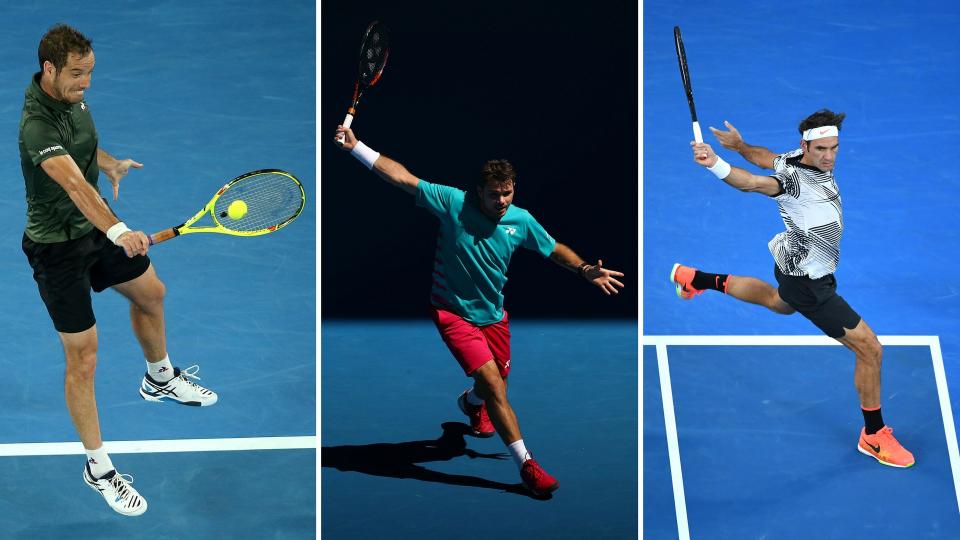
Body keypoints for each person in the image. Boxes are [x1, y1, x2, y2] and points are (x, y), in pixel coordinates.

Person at [335, 125, 625, 496]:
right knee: (494, 386)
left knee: (494, 385)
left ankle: (470, 405)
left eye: (507, 193)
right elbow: (402, 178)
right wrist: (357, 146)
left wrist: (585, 269)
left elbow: (554, 249)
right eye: (494, 195)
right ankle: (528, 466)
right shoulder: (453, 203)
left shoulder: (521, 220)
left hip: (494, 316)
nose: (501, 201)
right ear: (479, 191)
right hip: (452, 314)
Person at [18, 24, 218, 516]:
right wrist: (118, 230)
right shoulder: (35, 126)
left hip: (94, 231)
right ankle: (99, 468)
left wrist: (107, 162)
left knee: (151, 292)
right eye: (78, 74)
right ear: (50, 69)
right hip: (57, 250)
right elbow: (76, 190)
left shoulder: (72, 98)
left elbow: (82, 148)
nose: (86, 83)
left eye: (89, 73)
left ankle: (159, 378)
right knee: (83, 357)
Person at [671, 109, 914, 468]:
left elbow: (767, 157)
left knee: (778, 302)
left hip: (794, 267)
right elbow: (752, 182)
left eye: (834, 148)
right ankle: (873, 435)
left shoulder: (794, 159)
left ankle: (698, 279)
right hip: (810, 283)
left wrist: (740, 144)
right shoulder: (794, 181)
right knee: (869, 349)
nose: (829, 157)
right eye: (821, 150)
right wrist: (715, 163)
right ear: (806, 146)